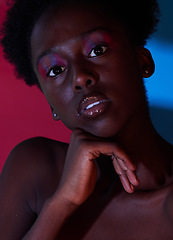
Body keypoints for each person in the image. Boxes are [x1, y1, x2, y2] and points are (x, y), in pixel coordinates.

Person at [0, 0, 173, 239]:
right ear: (51, 106)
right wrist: (61, 203)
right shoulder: (35, 170)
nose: (80, 77)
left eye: (97, 50)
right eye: (55, 70)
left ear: (143, 61)